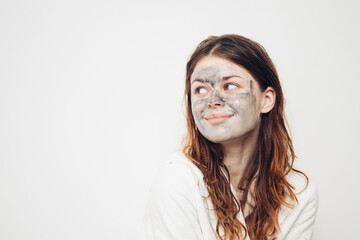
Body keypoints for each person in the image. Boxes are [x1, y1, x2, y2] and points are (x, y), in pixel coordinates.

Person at [140, 34, 318, 240]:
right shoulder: (177, 181)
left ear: (266, 100)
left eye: (230, 86)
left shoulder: (300, 194)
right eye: (200, 89)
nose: (213, 100)